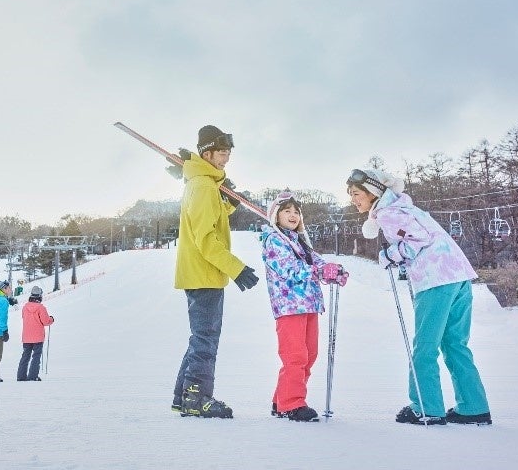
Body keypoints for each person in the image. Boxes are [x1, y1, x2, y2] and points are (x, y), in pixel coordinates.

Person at [346, 168, 492, 425]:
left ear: (373, 192)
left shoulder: (388, 212)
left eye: (356, 193)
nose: (353, 199)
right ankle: (474, 407)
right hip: (458, 275)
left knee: (425, 346)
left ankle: (426, 407)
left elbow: (418, 240)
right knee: (455, 344)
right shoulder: (407, 208)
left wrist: (388, 256)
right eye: (350, 195)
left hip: (435, 279)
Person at [172, 125, 260, 419]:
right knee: (206, 338)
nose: (227, 158)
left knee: (201, 336)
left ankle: (182, 396)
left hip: (202, 273)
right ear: (207, 153)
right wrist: (237, 269)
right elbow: (206, 240)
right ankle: (197, 398)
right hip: (203, 273)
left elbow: (212, 217)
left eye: (228, 153)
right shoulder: (202, 186)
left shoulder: (203, 184)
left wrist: (230, 205)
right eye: (222, 153)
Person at [260, 190, 348, 422]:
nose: (293, 215)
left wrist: (332, 271)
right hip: (289, 306)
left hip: (308, 304)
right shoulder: (274, 240)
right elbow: (288, 269)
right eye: (286, 211)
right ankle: (293, 403)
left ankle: (281, 400)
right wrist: (318, 271)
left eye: (296, 211)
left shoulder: (299, 241)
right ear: (275, 216)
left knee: (309, 355)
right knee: (295, 356)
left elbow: (316, 262)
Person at [17, 285, 54, 381]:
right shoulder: (41, 308)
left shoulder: (25, 307)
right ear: (39, 296)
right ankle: (33, 376)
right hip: (37, 336)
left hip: (26, 337)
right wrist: (51, 319)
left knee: (25, 356)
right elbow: (46, 321)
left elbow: (24, 318)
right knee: (36, 356)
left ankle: (21, 377)